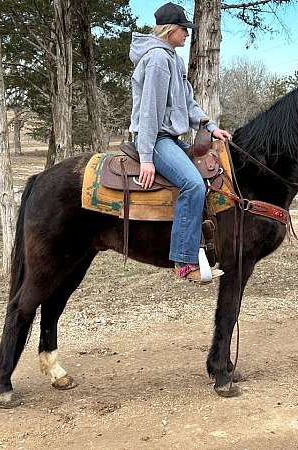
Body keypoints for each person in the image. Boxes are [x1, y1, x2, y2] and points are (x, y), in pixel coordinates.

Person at [129, 2, 231, 282]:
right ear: (171, 30)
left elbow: (188, 103)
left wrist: (210, 127)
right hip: (156, 139)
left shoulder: (173, 59)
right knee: (193, 183)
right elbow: (149, 112)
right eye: (184, 30)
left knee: (210, 172)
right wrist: (147, 158)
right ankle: (184, 262)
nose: (187, 35)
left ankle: (208, 248)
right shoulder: (158, 60)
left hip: (169, 138)